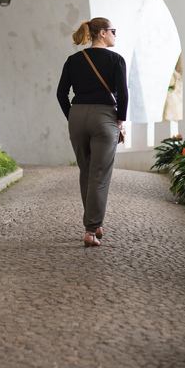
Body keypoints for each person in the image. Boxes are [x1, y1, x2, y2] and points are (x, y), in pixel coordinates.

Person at [56, 17, 129, 247]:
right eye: (113, 31)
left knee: (86, 171)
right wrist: (119, 121)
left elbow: (61, 93)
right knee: (99, 174)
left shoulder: (73, 60)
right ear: (102, 33)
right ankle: (90, 230)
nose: (115, 35)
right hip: (104, 117)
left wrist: (73, 116)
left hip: (77, 115)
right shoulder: (116, 60)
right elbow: (123, 95)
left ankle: (94, 223)